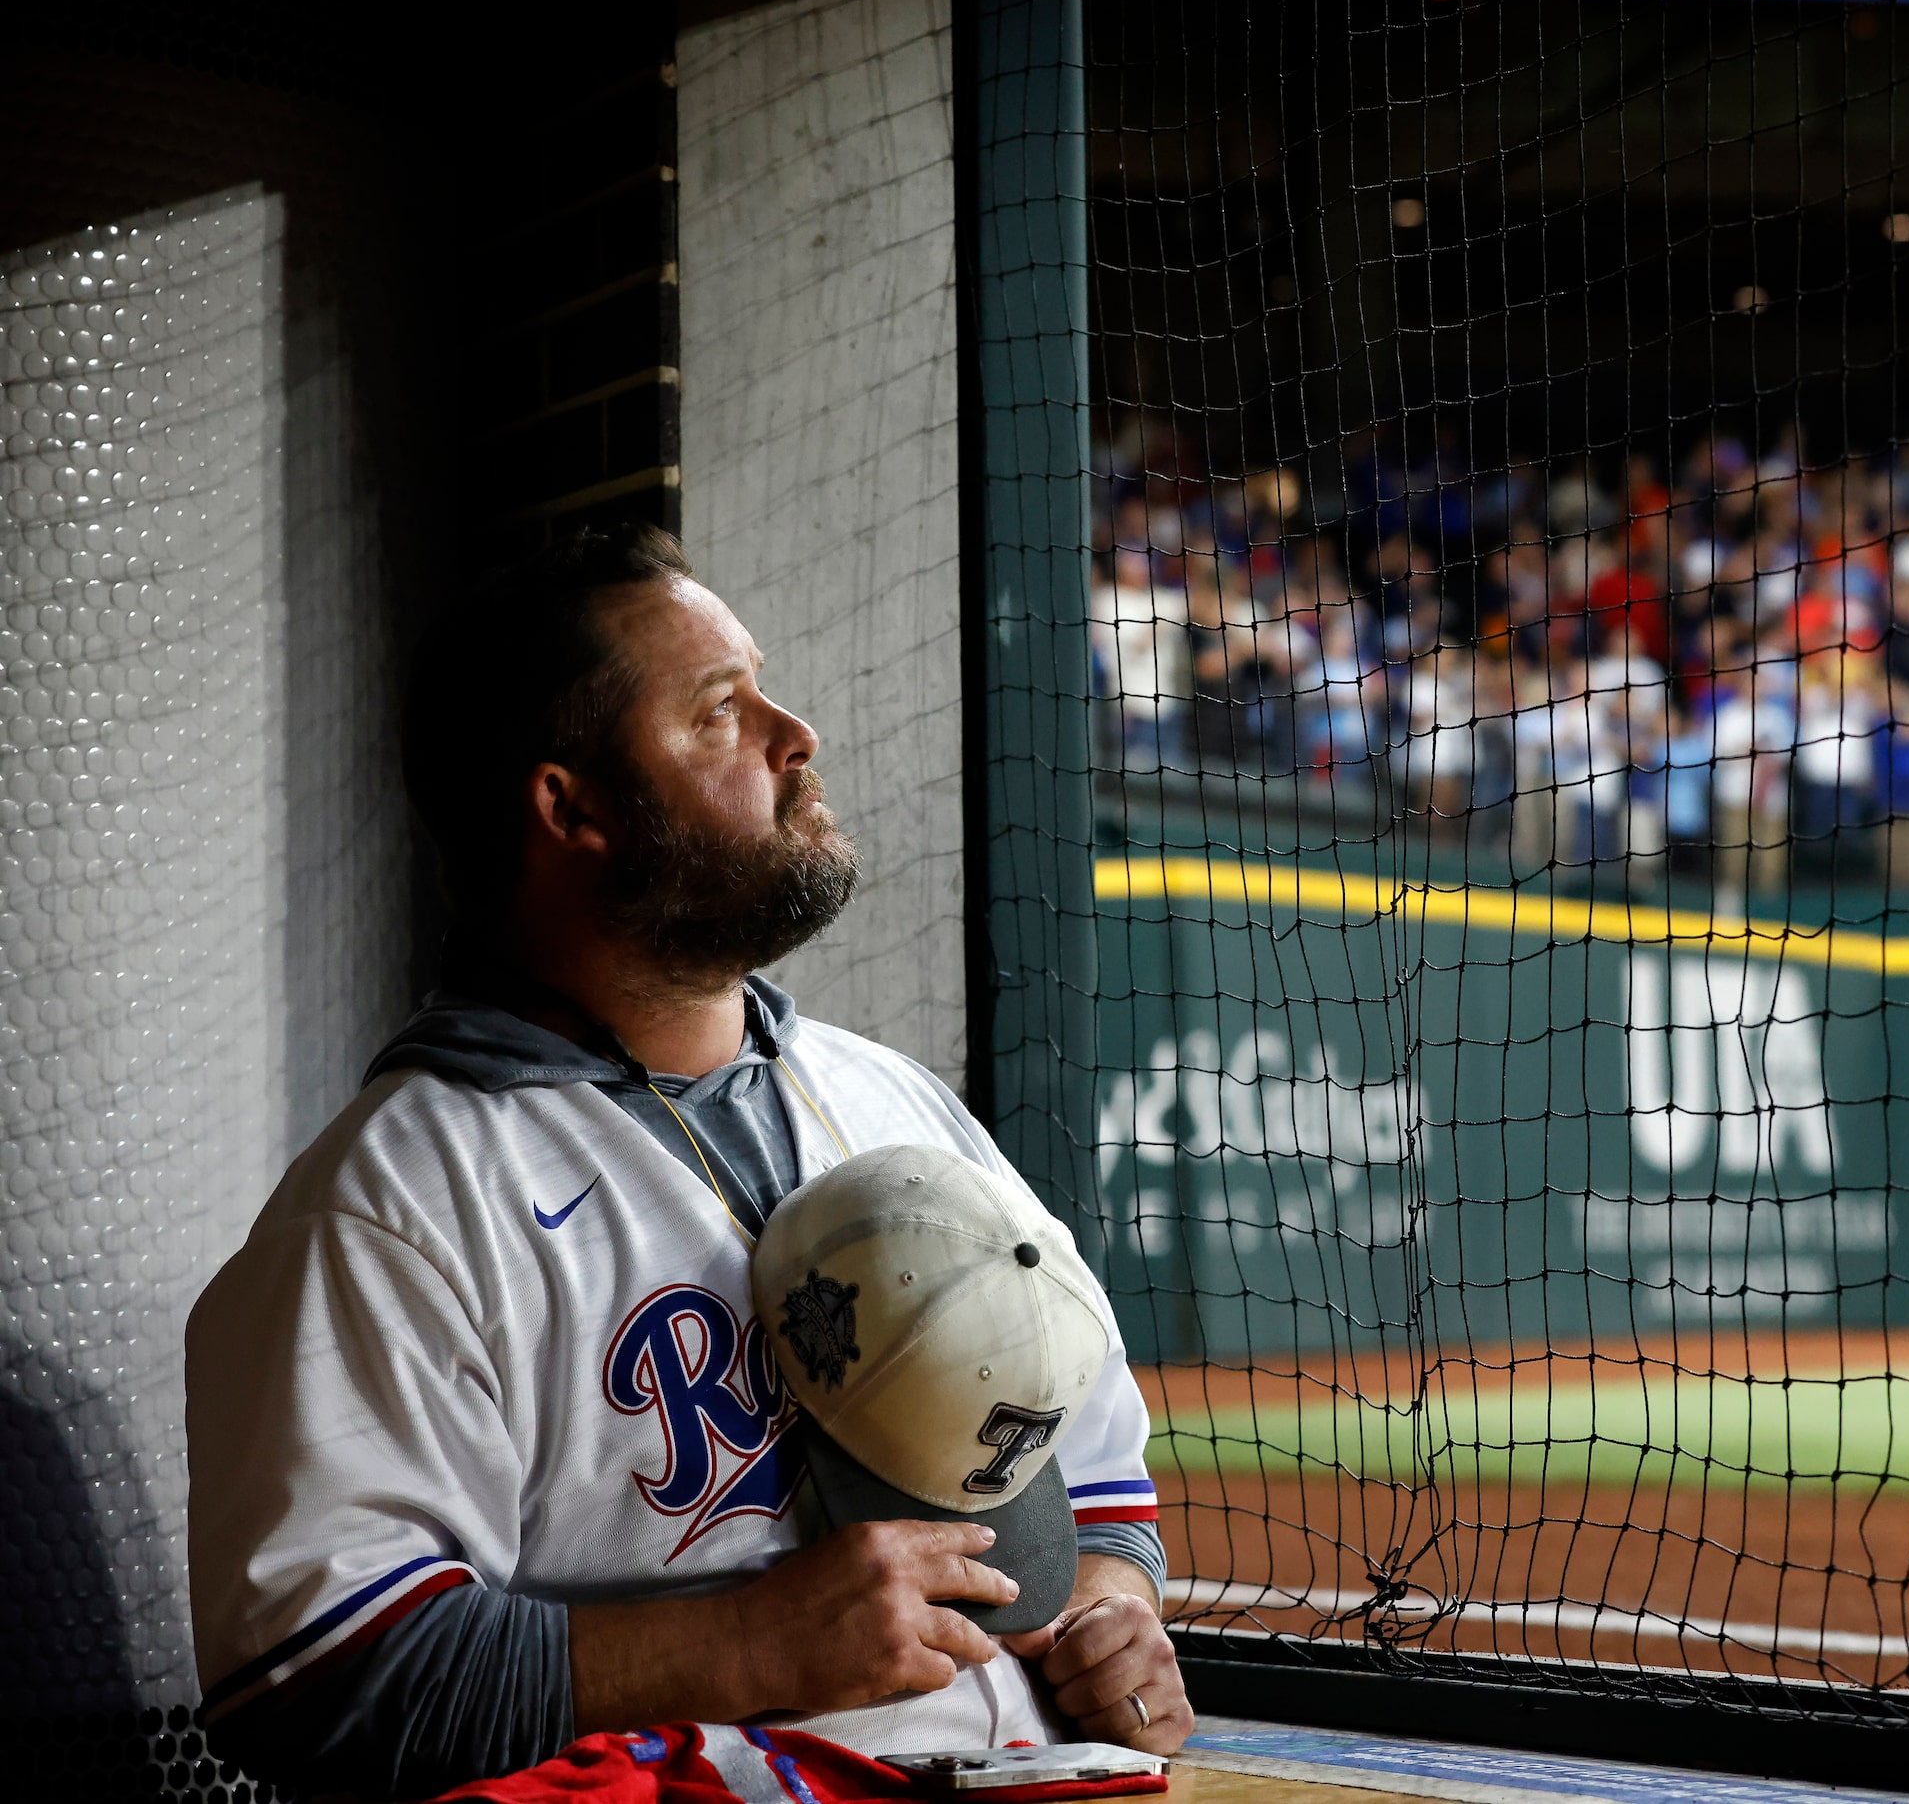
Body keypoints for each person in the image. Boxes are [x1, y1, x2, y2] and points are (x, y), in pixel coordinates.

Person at [184, 527, 1191, 1799]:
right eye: (721, 711)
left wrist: (1109, 1612)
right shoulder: (402, 1200)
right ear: (574, 807)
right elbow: (311, 1680)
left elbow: (1096, 1479)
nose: (794, 733)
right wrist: (743, 1640)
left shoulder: (894, 1102)